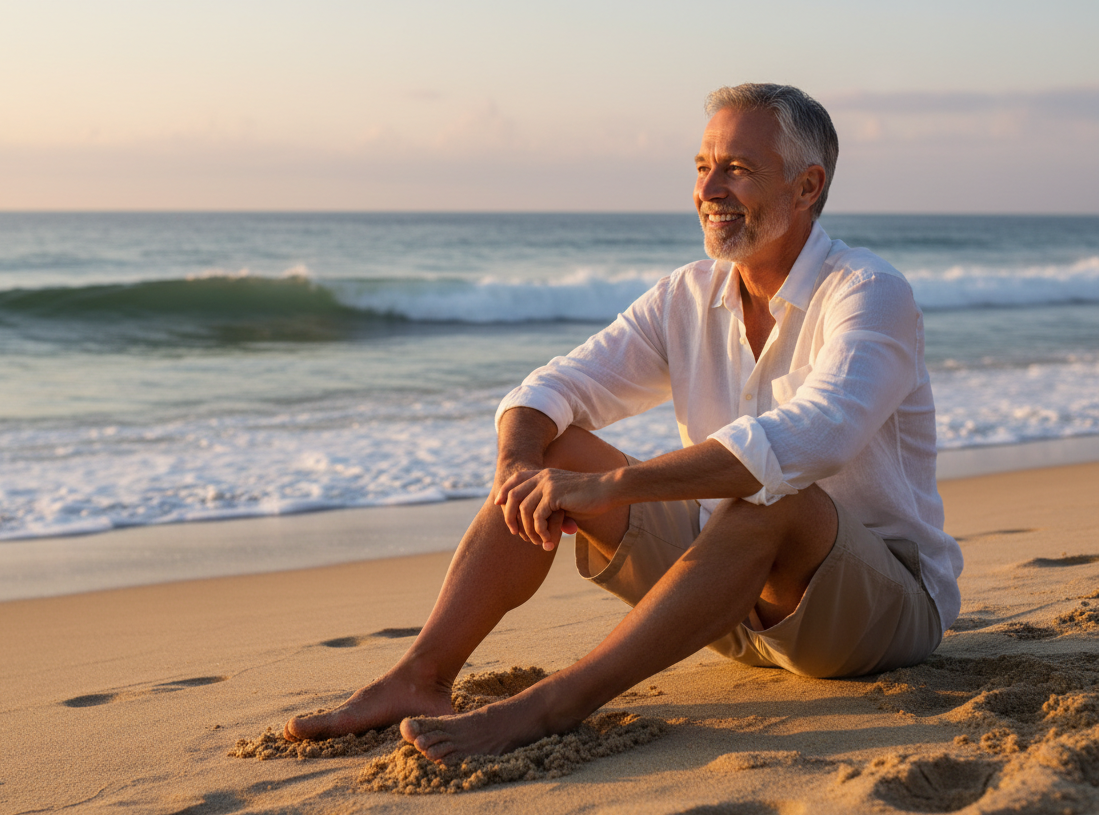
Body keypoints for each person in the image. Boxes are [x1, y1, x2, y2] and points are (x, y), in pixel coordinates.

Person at [284, 82, 963, 764]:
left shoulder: (870, 292)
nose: (710, 189)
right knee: (551, 447)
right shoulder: (688, 295)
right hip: (725, 607)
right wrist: (516, 467)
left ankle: (558, 702)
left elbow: (820, 433)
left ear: (806, 185)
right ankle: (420, 678)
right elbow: (553, 386)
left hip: (874, 614)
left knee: (774, 493)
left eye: (737, 169)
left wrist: (616, 486)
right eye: (702, 167)